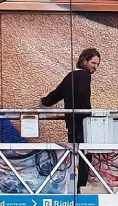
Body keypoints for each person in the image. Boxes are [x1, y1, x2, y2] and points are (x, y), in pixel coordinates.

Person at [41, 49, 101, 190]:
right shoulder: (85, 75)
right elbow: (81, 93)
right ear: (84, 61)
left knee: (75, 156)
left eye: (97, 64)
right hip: (83, 125)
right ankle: (81, 189)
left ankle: (74, 188)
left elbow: (53, 98)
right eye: (93, 63)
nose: (95, 67)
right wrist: (88, 114)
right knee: (86, 156)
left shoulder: (69, 76)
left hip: (72, 126)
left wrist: (44, 99)